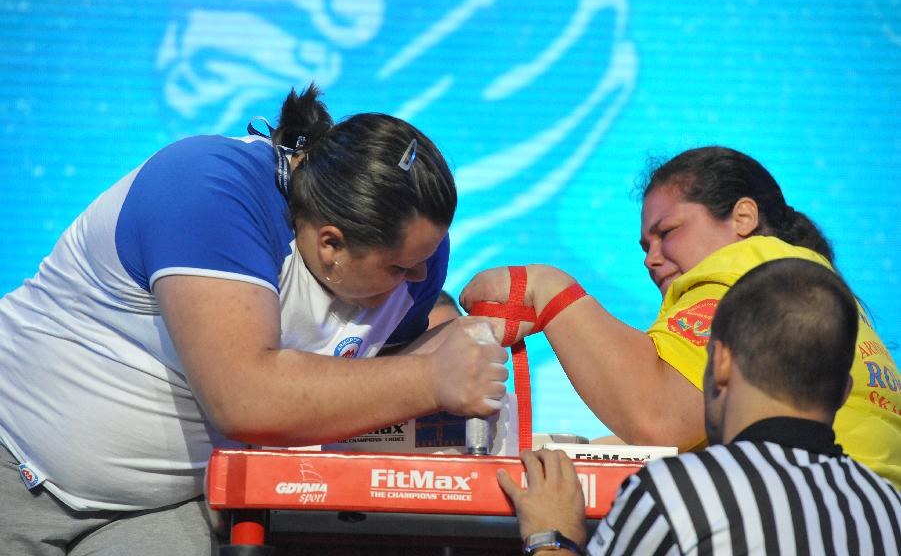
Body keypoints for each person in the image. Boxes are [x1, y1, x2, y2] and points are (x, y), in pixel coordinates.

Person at [0, 84, 509, 554]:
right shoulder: (205, 189)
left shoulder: (413, 258)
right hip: (14, 459)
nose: (419, 275)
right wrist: (432, 376)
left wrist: (472, 336)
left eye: (427, 257)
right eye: (399, 267)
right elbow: (245, 399)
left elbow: (386, 361)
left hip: (164, 508)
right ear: (329, 243)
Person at [462, 146, 900, 488]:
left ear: (743, 217)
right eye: (644, 247)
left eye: (667, 233)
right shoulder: (812, 285)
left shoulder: (752, 266)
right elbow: (686, 433)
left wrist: (545, 287)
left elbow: (656, 417)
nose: (652, 259)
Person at [499, 258, 901, 555]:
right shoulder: (886, 507)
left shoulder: (679, 491)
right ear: (845, 390)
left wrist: (551, 537)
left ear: (721, 360)